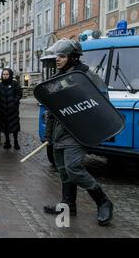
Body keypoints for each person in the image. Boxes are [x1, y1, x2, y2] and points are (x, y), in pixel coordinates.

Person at [43, 39, 114, 226]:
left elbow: (101, 99)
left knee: (73, 167)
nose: (57, 59)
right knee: (63, 170)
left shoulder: (85, 75)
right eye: (57, 56)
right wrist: (49, 135)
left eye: (62, 56)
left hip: (77, 129)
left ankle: (103, 201)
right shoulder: (59, 75)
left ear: (73, 57)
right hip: (59, 130)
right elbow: (53, 107)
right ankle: (68, 205)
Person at [0, 68, 23, 150]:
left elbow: (19, 93)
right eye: (4, 74)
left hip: (13, 110)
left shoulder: (15, 83)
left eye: (7, 74)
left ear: (10, 75)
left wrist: (15, 101)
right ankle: (7, 142)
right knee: (5, 126)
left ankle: (16, 142)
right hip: (3, 110)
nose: (5, 76)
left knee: (15, 126)